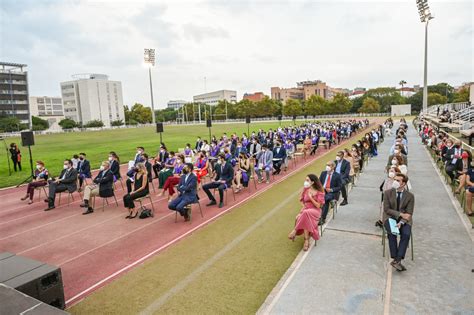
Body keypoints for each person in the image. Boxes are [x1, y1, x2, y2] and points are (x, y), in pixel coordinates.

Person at [383, 173, 415, 272]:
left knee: (406, 234)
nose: (395, 182)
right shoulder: (388, 193)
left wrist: (401, 222)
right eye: (395, 180)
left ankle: (397, 260)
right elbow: (387, 209)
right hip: (390, 217)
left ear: (403, 183)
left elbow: (409, 213)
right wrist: (400, 214)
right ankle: (395, 258)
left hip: (404, 220)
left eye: (398, 180)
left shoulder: (410, 196)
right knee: (392, 233)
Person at [288, 174, 325, 251]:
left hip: (315, 211)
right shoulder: (305, 189)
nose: (305, 182)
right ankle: (306, 240)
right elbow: (301, 200)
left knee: (305, 213)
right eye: (305, 180)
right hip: (306, 210)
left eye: (307, 180)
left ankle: (295, 230)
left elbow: (318, 206)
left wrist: (311, 198)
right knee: (305, 214)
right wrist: (304, 207)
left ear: (312, 182)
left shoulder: (320, 192)